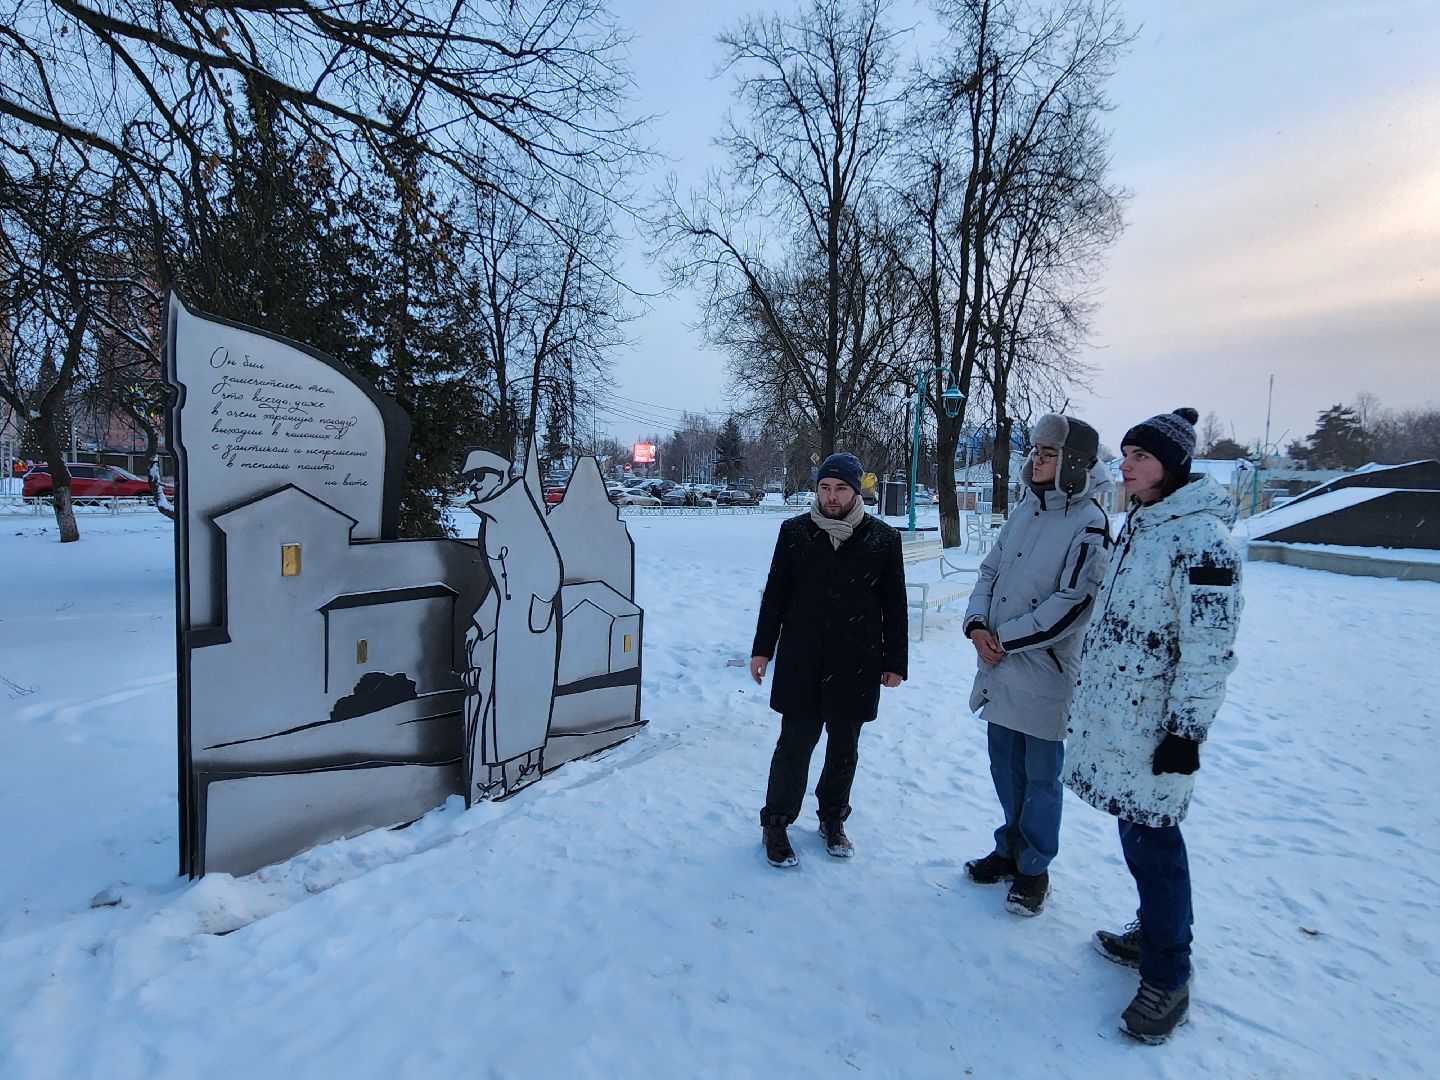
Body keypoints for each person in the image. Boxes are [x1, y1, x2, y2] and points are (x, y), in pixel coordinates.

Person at [1065, 407, 1243, 1045]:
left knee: (1156, 842)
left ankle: (1169, 973)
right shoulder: (1142, 525)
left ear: (1173, 465)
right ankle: (1154, 930)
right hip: (1119, 718)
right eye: (1125, 455)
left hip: (1156, 729)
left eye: (1139, 457)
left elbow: (1208, 648)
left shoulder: (1204, 542)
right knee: (1139, 837)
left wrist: (1186, 732)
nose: (1126, 466)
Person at [960, 414, 1110, 916]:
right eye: (1034, 451)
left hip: (1043, 671)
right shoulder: (1025, 510)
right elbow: (989, 570)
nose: (1036, 460)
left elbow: (1073, 603)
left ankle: (1034, 869)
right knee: (1004, 766)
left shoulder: (1089, 523)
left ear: (1074, 463)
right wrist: (978, 624)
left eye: (1047, 453)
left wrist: (1006, 638)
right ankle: (1009, 849)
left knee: (1041, 778)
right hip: (999, 666)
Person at [750, 452, 908, 867]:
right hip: (802, 658)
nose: (831, 496)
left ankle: (833, 819)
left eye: (840, 488)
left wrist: (895, 661)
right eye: (825, 487)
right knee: (794, 745)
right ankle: (777, 823)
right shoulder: (795, 532)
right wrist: (763, 648)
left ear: (856, 491)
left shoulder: (882, 540)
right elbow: (776, 596)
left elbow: (895, 605)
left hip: (857, 660)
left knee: (844, 748)